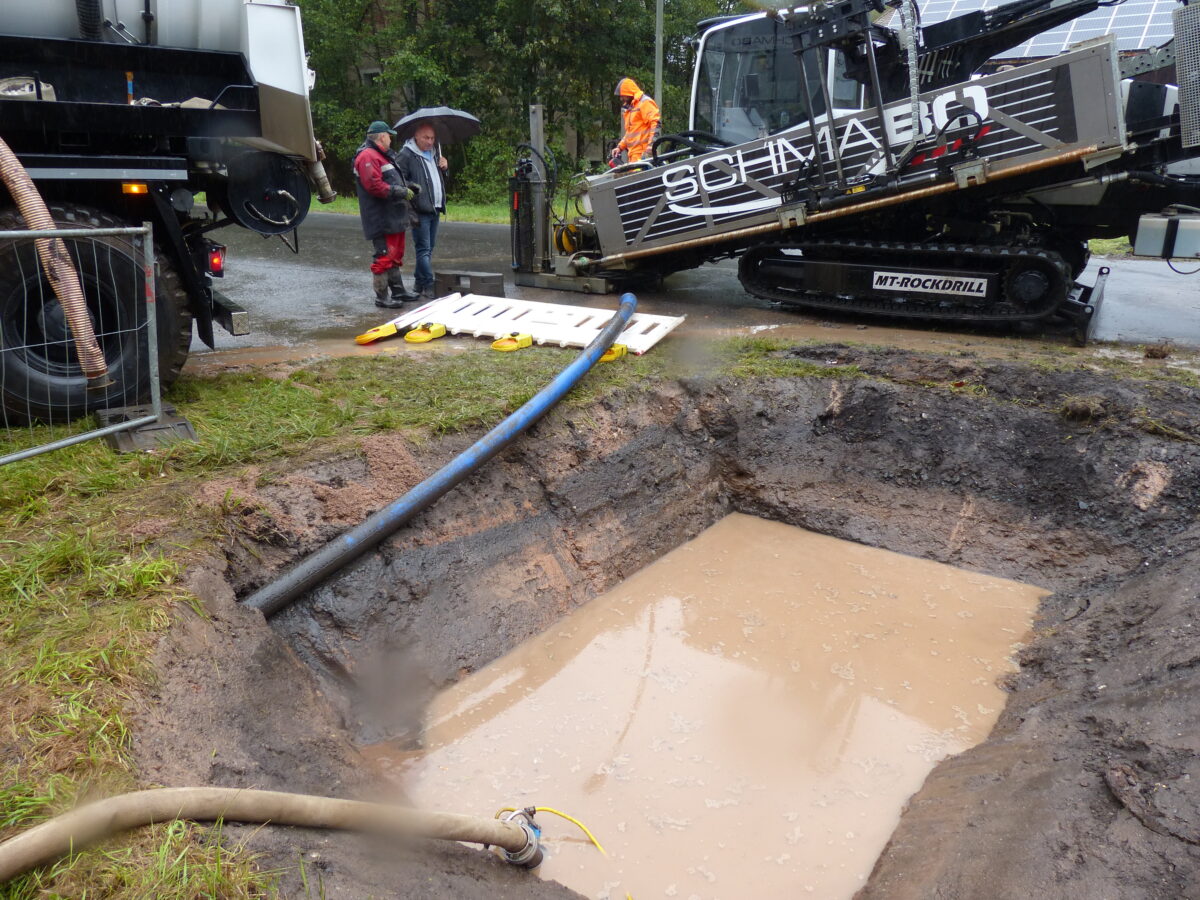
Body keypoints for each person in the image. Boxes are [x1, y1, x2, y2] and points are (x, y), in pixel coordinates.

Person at [352, 120, 419, 308]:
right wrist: (400, 192)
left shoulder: (382, 155)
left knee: (395, 254)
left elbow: (390, 180)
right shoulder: (368, 156)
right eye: (389, 135)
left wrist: (408, 187)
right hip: (380, 217)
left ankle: (398, 291)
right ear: (382, 137)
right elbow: (374, 186)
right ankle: (382, 297)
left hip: (393, 214)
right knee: (383, 256)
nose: (390, 139)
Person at [398, 122, 448, 300]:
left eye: (432, 138)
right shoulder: (407, 154)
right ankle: (429, 284)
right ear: (416, 137)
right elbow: (398, 178)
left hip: (435, 206)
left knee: (429, 249)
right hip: (419, 209)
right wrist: (413, 191)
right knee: (423, 250)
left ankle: (419, 284)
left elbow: (437, 178)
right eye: (426, 138)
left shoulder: (435, 154)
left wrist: (444, 167)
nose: (430, 141)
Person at [610, 77, 661, 165]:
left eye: (623, 96)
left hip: (643, 155)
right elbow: (631, 133)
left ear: (629, 93)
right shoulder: (631, 108)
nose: (621, 99)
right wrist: (619, 147)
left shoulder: (645, 103)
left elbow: (655, 123)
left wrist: (651, 145)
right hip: (634, 156)